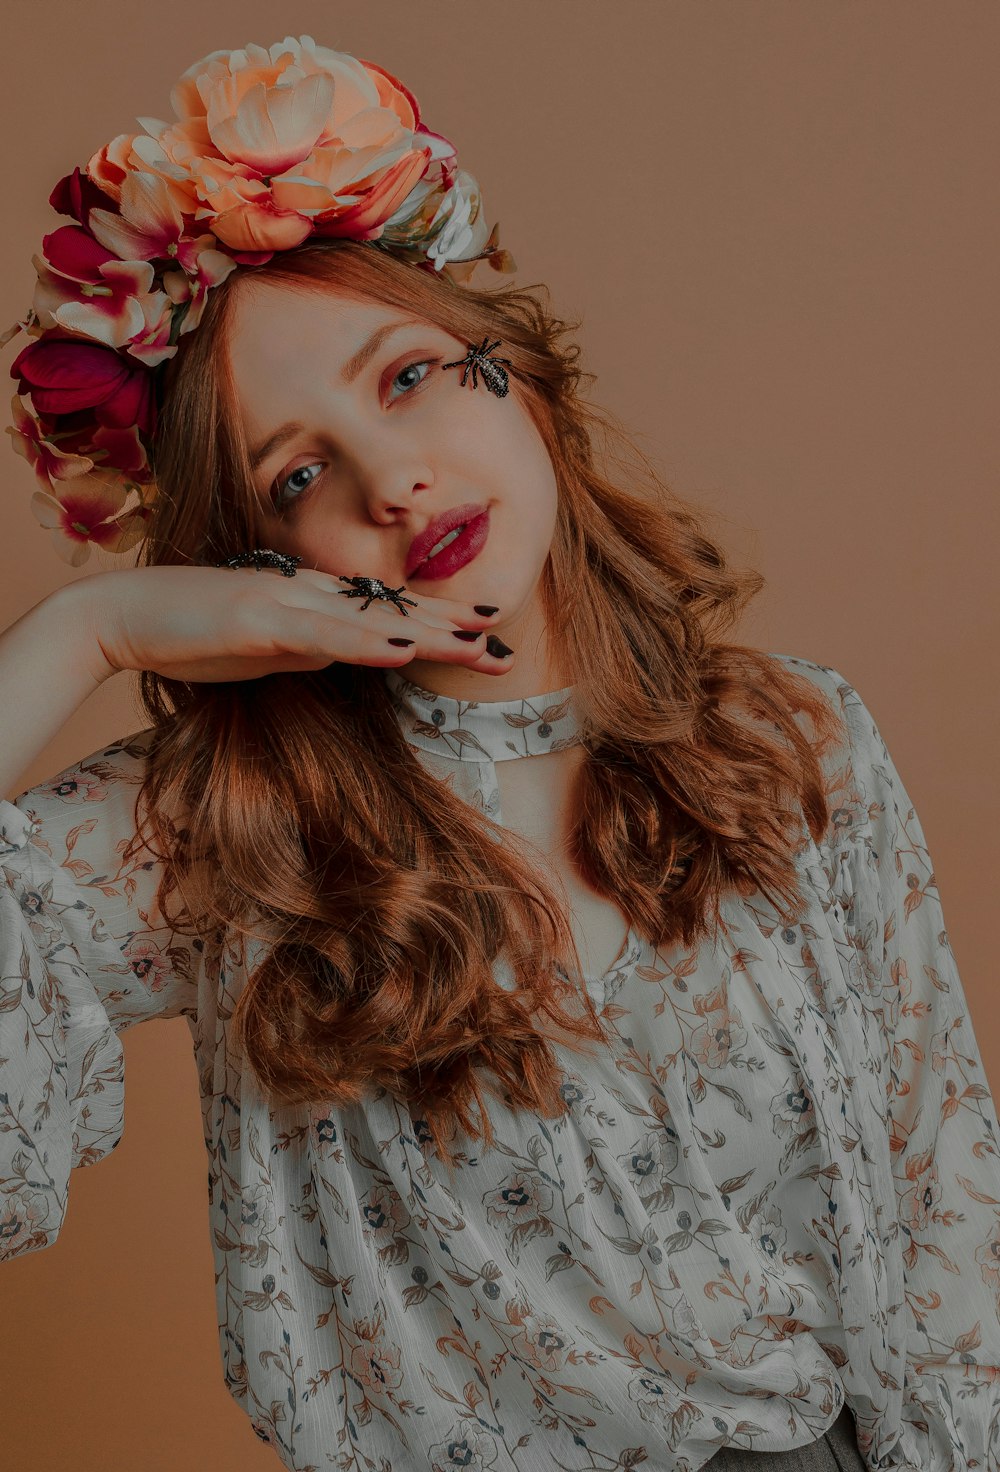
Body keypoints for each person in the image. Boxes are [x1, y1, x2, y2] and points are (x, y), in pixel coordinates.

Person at [1, 34, 997, 1472]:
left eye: (407, 376)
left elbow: (948, 1223)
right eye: (300, 473)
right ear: (255, 559)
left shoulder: (794, 736)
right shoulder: (230, 833)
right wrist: (88, 631)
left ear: (512, 373)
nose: (393, 480)